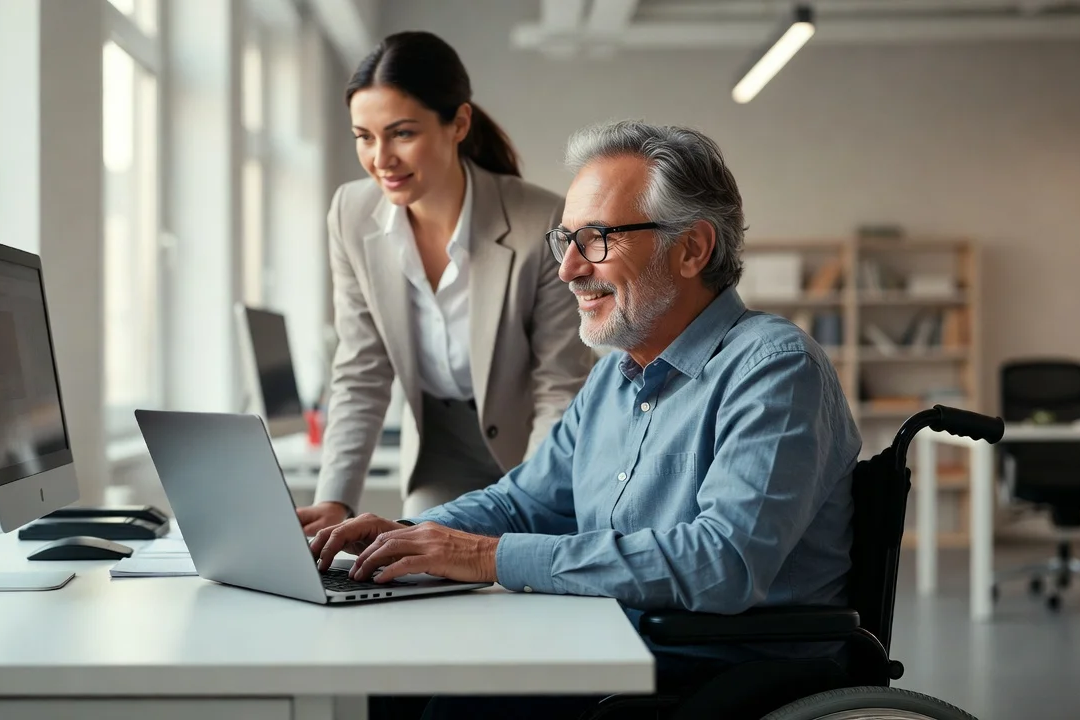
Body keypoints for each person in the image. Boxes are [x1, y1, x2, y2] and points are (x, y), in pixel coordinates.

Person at [311, 120, 863, 720]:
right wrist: (402, 535)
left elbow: (722, 562)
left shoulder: (774, 368)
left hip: (719, 666)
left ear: (693, 248)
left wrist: (486, 557)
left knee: (458, 707)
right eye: (565, 240)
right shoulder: (613, 376)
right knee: (390, 680)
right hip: (616, 640)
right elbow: (519, 503)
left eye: (597, 239)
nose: (569, 268)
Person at [295, 31, 594, 534]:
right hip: (441, 450)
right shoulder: (351, 213)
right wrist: (335, 500)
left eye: (402, 133)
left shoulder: (539, 220)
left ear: (458, 123)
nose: (380, 158)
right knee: (415, 575)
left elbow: (558, 386)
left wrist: (531, 502)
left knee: (523, 584)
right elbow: (361, 368)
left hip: (535, 444)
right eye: (364, 137)